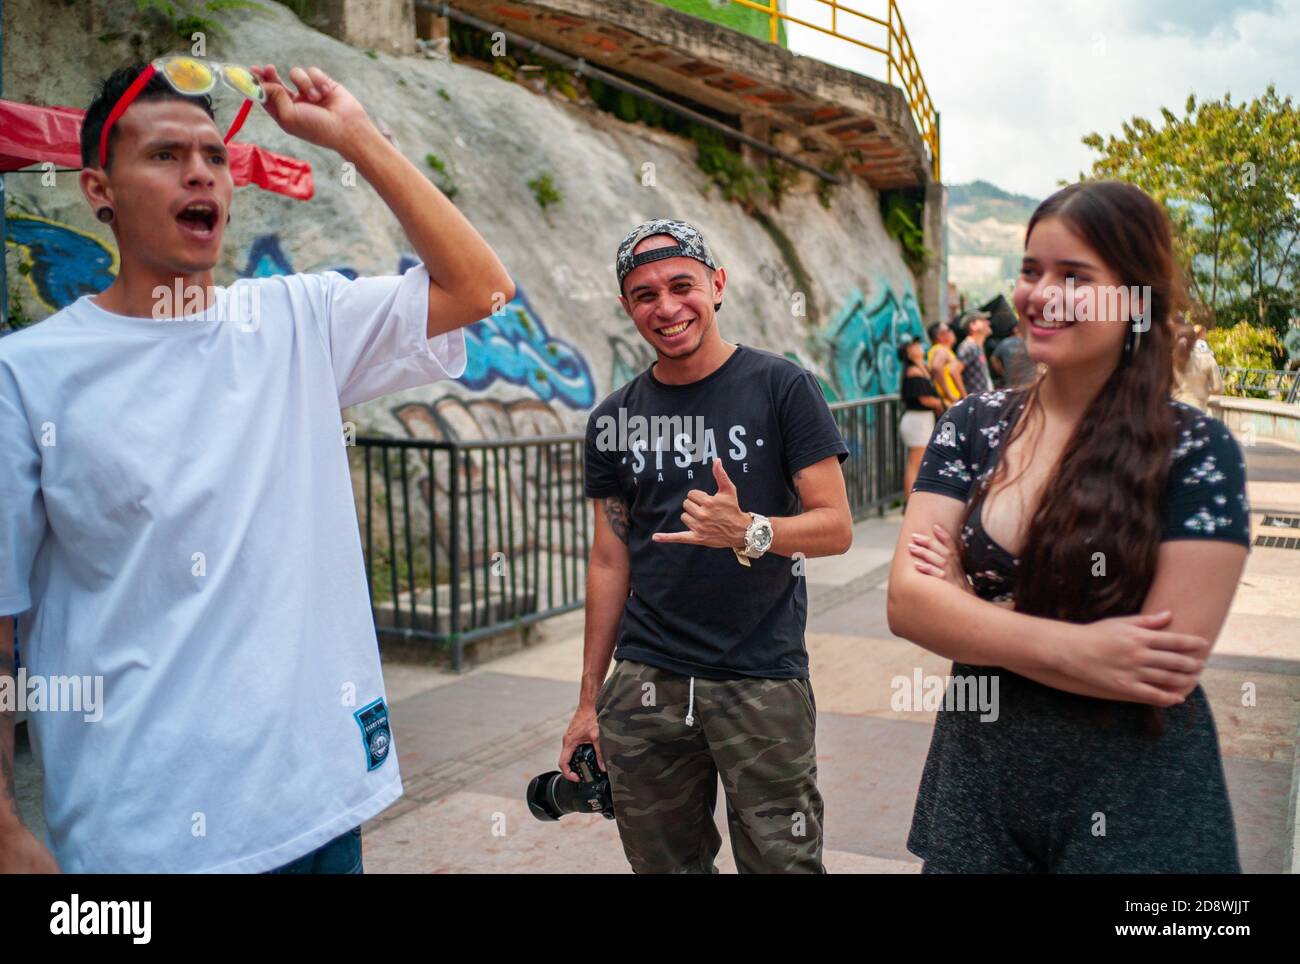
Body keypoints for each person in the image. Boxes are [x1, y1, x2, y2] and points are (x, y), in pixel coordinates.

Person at [0, 60, 512, 872]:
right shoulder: (27, 376)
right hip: (141, 838)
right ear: (99, 188)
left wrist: (354, 136)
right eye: (164, 156)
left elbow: (481, 290)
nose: (199, 171)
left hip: (320, 811)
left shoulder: (294, 320)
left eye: (213, 155)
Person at [888, 180, 1250, 873]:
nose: (1038, 293)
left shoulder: (1196, 449)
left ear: (1134, 299)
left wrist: (968, 607)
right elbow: (908, 604)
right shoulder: (973, 425)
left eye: (1073, 276)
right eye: (1030, 270)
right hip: (980, 783)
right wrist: (1079, 649)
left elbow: (1158, 667)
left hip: (1141, 793)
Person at [560, 219, 852, 873]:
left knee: (784, 865)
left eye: (681, 285)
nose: (665, 307)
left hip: (760, 677)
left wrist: (750, 529)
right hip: (646, 683)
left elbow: (836, 526)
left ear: (717, 286)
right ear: (627, 307)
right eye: (644, 295)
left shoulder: (784, 388)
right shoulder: (613, 418)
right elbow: (610, 560)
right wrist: (588, 699)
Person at [899, 339, 943, 498]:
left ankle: (914, 498)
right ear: (908, 353)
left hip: (924, 420)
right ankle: (909, 500)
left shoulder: (923, 368)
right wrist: (943, 403)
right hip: (917, 421)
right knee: (915, 463)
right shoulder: (913, 372)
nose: (918, 347)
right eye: (914, 346)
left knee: (920, 462)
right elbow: (924, 399)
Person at [1172, 323, 1224, 411]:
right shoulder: (1207, 359)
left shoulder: (1169, 360)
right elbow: (1218, 388)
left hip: (1172, 413)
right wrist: (1202, 389)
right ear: (1195, 340)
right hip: (1196, 410)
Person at [955, 311, 994, 395]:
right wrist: (966, 397)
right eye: (983, 320)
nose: (988, 322)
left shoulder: (977, 346)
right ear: (973, 326)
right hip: (976, 401)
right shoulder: (968, 346)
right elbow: (954, 371)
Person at [926, 321, 963, 407]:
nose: (952, 332)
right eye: (949, 330)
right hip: (950, 401)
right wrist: (949, 394)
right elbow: (936, 367)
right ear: (940, 335)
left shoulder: (937, 349)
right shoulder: (942, 349)